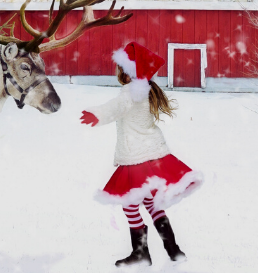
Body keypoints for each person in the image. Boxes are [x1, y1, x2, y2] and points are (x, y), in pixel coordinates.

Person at [80, 42, 203, 267]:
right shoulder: (144, 89)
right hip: (152, 153)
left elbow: (116, 107)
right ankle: (174, 251)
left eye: (121, 69)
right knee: (151, 203)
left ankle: (141, 253)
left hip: (137, 156)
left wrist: (97, 115)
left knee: (130, 203)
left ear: (127, 73)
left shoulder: (131, 93)